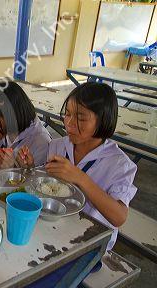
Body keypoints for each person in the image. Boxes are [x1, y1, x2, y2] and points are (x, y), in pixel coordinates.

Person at [17, 82, 137, 250]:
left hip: (89, 242)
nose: (70, 123)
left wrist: (80, 178)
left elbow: (119, 217)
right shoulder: (58, 146)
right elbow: (48, 186)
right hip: (54, 225)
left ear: (103, 120)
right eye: (67, 114)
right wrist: (30, 168)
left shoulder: (120, 164)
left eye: (81, 118)